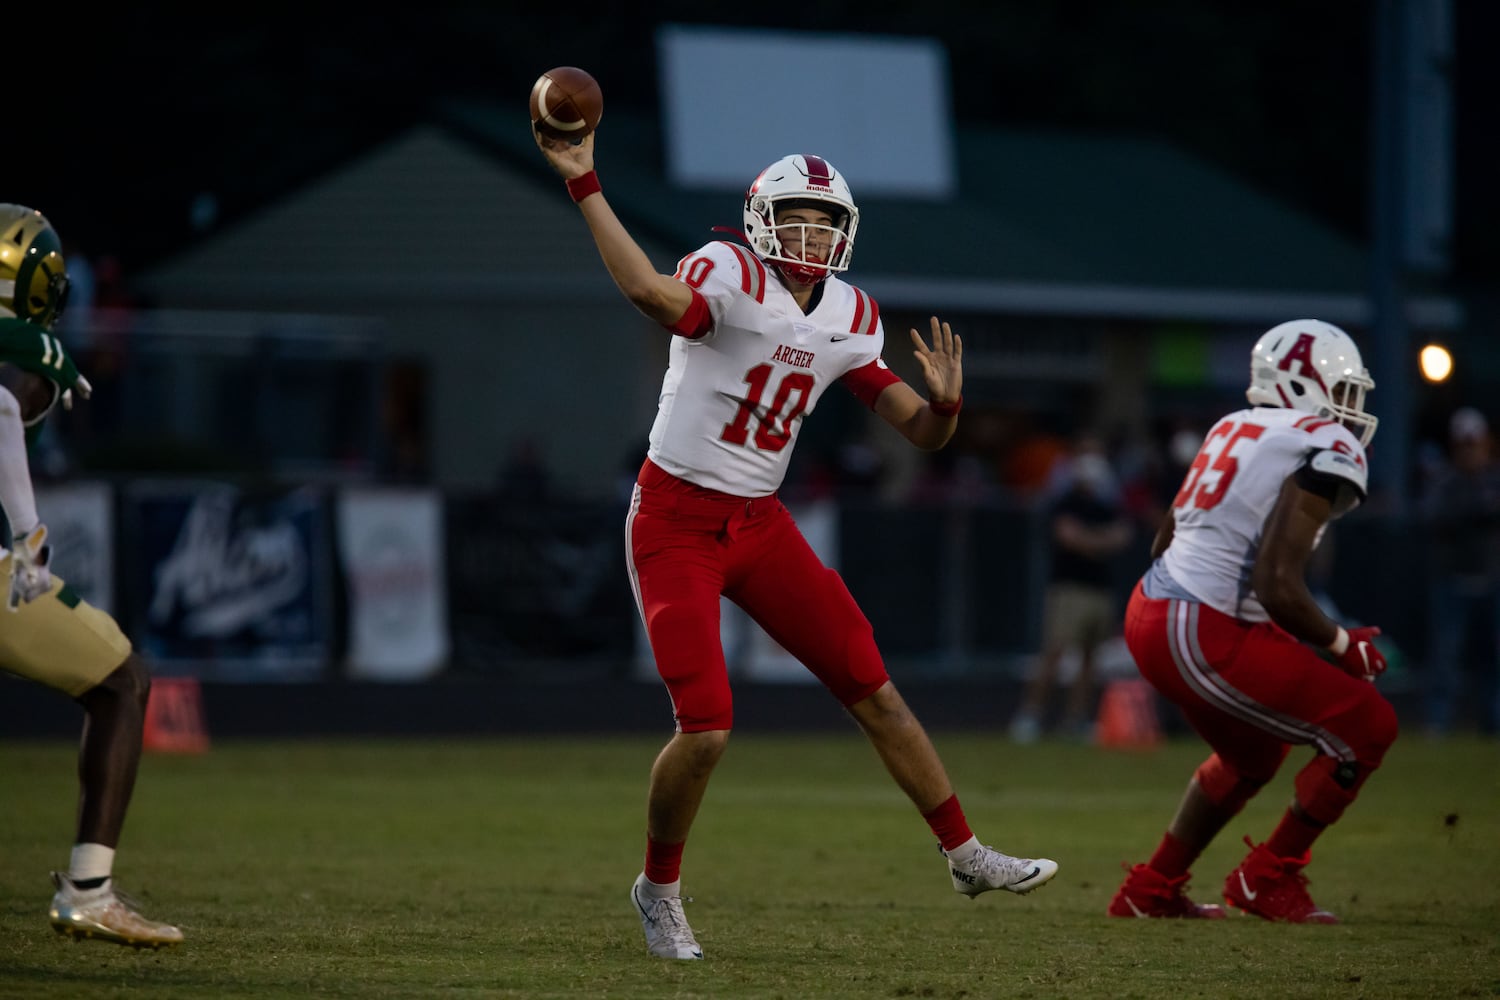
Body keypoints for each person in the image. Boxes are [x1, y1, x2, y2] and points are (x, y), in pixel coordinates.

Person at [532, 136, 1058, 959]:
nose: (812, 239)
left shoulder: (851, 314)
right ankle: (658, 890)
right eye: (797, 221)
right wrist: (586, 181)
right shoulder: (726, 271)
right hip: (675, 519)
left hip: (760, 522)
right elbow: (646, 291)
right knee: (705, 727)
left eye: (825, 224)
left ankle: (966, 856)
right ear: (759, 221)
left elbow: (918, 431)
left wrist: (949, 409)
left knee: (873, 687)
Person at [1106, 319, 1398, 923]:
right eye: (1341, 389)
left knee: (1255, 756)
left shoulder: (1233, 425)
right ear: (1304, 382)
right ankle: (1267, 876)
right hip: (1196, 624)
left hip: (1155, 607)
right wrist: (1343, 645)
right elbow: (1276, 582)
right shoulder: (1324, 441)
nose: (1349, 408)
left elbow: (1166, 538)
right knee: (1368, 725)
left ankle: (1151, 888)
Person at [0, 203, 183, 948]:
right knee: (122, 680)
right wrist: (28, 542)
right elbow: (1, 406)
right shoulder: (29, 347)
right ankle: (88, 889)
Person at [1009, 437, 1134, 743]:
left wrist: (1089, 541)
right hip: (1069, 588)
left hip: (1099, 589)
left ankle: (1076, 719)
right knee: (1054, 652)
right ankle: (1031, 715)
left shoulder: (1108, 504)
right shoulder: (1064, 501)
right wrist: (1099, 542)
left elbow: (1122, 537)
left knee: (1091, 659)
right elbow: (1070, 537)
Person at [1418, 406, 1500, 737]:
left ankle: (1493, 720)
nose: (1469, 450)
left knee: (1493, 656)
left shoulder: (1494, 479)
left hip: (1492, 579)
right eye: (1464, 444)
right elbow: (1430, 518)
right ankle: (1439, 721)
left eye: (1474, 443)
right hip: (1452, 579)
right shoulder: (1444, 481)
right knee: (1445, 656)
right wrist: (1474, 512)